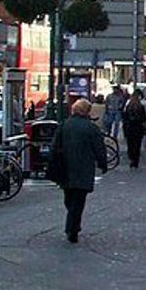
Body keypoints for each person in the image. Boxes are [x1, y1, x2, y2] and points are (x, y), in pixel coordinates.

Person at [51, 98, 108, 243]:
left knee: (69, 197)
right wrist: (103, 163)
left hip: (66, 167)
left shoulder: (64, 125)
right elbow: (99, 148)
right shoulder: (91, 128)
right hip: (83, 168)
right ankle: (73, 227)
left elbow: (55, 145)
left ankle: (72, 224)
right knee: (78, 199)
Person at [121, 90, 146, 169]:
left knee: (130, 144)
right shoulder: (141, 107)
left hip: (129, 128)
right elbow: (143, 118)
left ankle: (131, 157)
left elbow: (124, 118)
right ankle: (136, 160)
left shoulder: (129, 107)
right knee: (137, 145)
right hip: (138, 128)